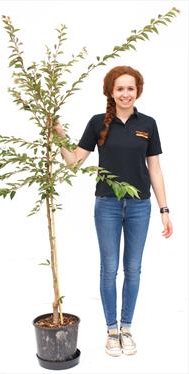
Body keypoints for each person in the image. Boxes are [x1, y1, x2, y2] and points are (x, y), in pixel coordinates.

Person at [54, 65, 173, 357]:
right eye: (119, 88)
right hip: (106, 204)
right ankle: (111, 331)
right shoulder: (98, 123)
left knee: (133, 269)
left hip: (139, 206)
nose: (125, 93)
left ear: (138, 91)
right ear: (110, 91)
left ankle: (127, 329)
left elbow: (154, 169)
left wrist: (164, 209)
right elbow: (74, 161)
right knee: (109, 269)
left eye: (130, 88)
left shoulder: (148, 123)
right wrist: (58, 134)